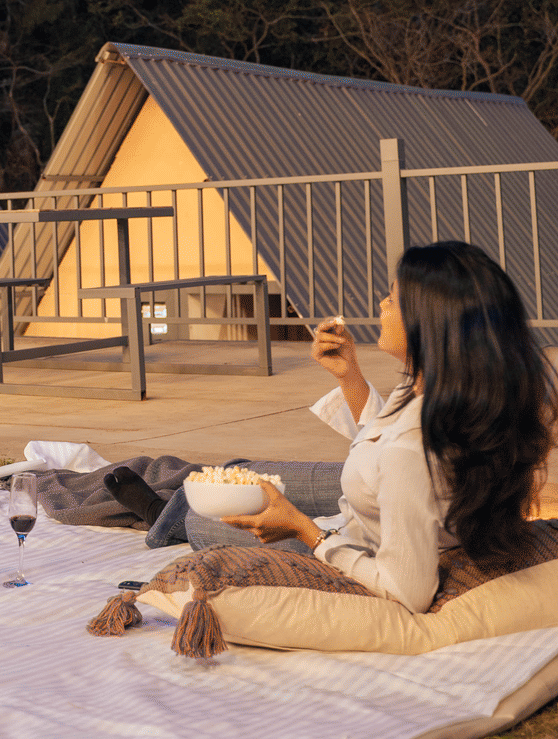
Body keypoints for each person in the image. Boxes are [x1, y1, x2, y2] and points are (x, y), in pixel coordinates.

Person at [179, 242, 555, 613]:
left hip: (360, 524)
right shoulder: (449, 388)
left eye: (392, 300)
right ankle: (158, 485)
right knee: (231, 474)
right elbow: (383, 438)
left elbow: (408, 591)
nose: (382, 306)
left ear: (426, 323)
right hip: (365, 492)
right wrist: (350, 377)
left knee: (200, 520)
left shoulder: (410, 455)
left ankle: (152, 504)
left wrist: (304, 530)